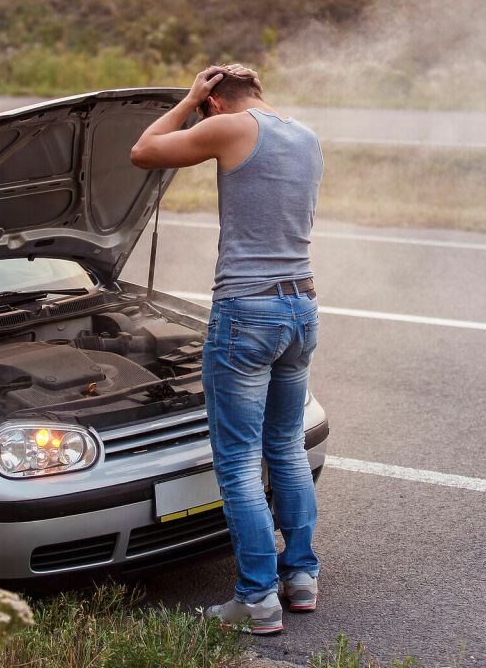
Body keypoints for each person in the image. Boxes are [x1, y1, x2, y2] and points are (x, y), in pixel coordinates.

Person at [131, 65, 323, 635]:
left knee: (238, 462)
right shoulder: (307, 136)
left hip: (248, 311)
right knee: (285, 447)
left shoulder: (230, 126)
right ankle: (301, 577)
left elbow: (143, 151)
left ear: (215, 105)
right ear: (259, 91)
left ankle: (256, 599)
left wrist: (189, 98)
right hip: (302, 306)